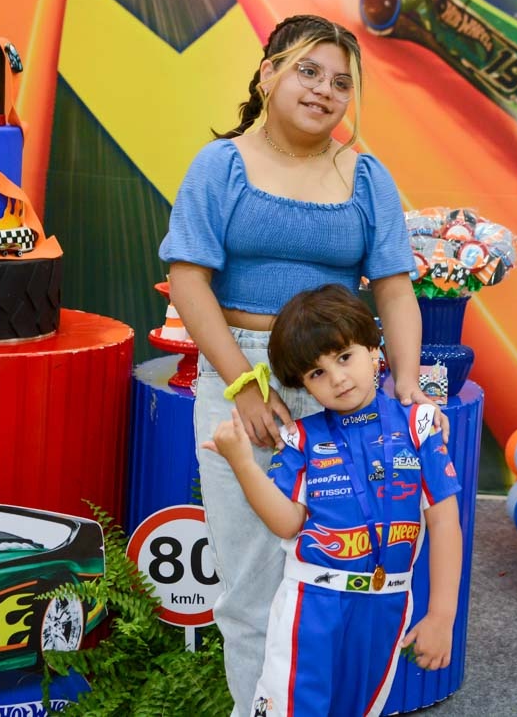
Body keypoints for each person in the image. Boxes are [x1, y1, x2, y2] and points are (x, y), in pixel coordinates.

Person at [157, 14, 446, 715]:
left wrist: (405, 385)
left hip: (343, 386)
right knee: (250, 583)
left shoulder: (367, 176)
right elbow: (189, 280)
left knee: (340, 577)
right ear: (268, 74)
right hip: (241, 373)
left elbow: (394, 290)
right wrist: (243, 384)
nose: (323, 91)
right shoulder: (220, 166)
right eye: (308, 71)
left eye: (341, 82)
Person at [203, 284, 463, 716]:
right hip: (312, 605)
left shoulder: (419, 425)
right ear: (303, 385)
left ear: (374, 349)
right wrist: (242, 464)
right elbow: (287, 523)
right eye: (316, 373)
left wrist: (442, 615)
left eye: (344, 357)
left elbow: (445, 522)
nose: (337, 378)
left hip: (388, 603)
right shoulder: (300, 438)